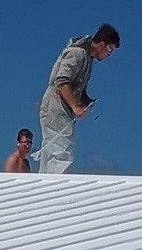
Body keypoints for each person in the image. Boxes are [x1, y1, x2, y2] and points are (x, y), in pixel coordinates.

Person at [38, 23, 120, 174]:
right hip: (56, 107)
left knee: (52, 149)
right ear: (101, 45)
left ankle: (46, 185)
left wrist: (85, 101)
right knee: (60, 150)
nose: (109, 55)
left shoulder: (87, 58)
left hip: (60, 107)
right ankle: (59, 189)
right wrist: (75, 106)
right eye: (109, 50)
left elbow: (75, 86)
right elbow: (62, 81)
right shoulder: (78, 53)